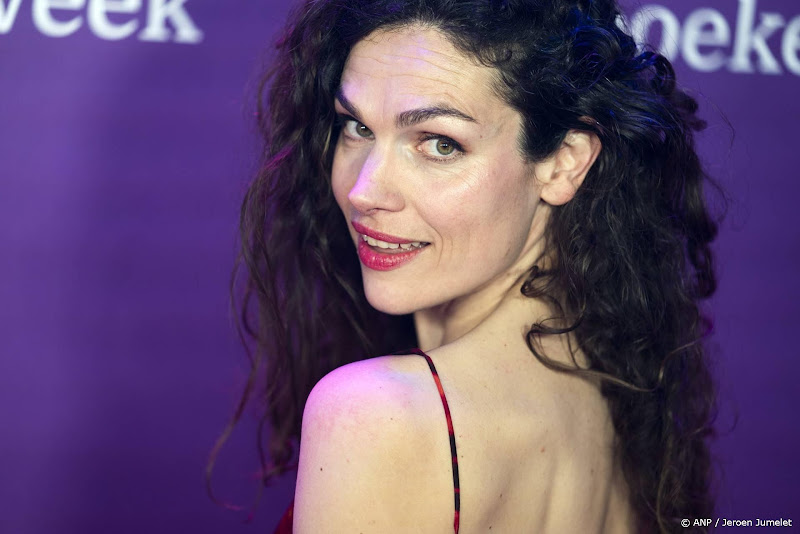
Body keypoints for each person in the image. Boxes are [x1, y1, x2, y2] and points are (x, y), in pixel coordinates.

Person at [222, 0, 720, 532]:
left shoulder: (376, 413)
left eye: (440, 144)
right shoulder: (615, 397)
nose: (364, 191)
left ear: (564, 161)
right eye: (357, 128)